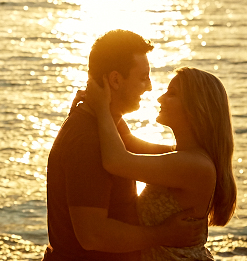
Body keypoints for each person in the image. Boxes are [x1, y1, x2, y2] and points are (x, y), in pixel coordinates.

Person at [44, 30, 205, 261]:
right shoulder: (88, 140)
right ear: (116, 80)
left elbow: (132, 146)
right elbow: (93, 235)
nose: (150, 87)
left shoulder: (105, 124)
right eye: (143, 77)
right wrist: (163, 234)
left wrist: (192, 156)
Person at [85, 67, 237, 261]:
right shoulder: (183, 156)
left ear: (195, 108)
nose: (160, 98)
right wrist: (110, 108)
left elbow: (116, 161)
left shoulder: (192, 165)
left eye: (172, 94)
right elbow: (128, 142)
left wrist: (101, 108)